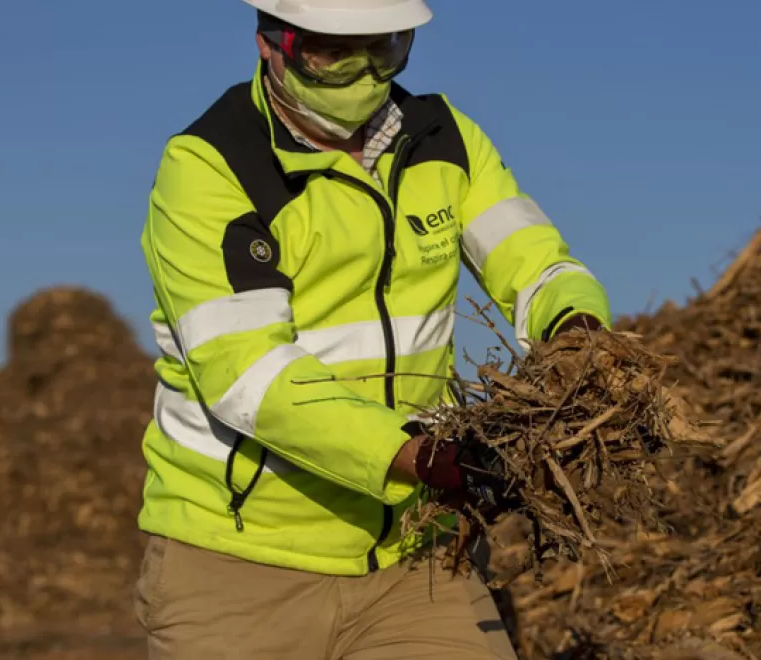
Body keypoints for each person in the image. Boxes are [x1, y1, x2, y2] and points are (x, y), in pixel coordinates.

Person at [131, 0, 610, 657]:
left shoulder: (446, 141)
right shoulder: (210, 167)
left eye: (382, 47)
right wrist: (426, 458)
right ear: (271, 42)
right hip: (239, 568)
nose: (362, 73)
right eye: (331, 51)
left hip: (416, 560)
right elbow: (248, 374)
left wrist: (578, 337)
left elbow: (534, 263)